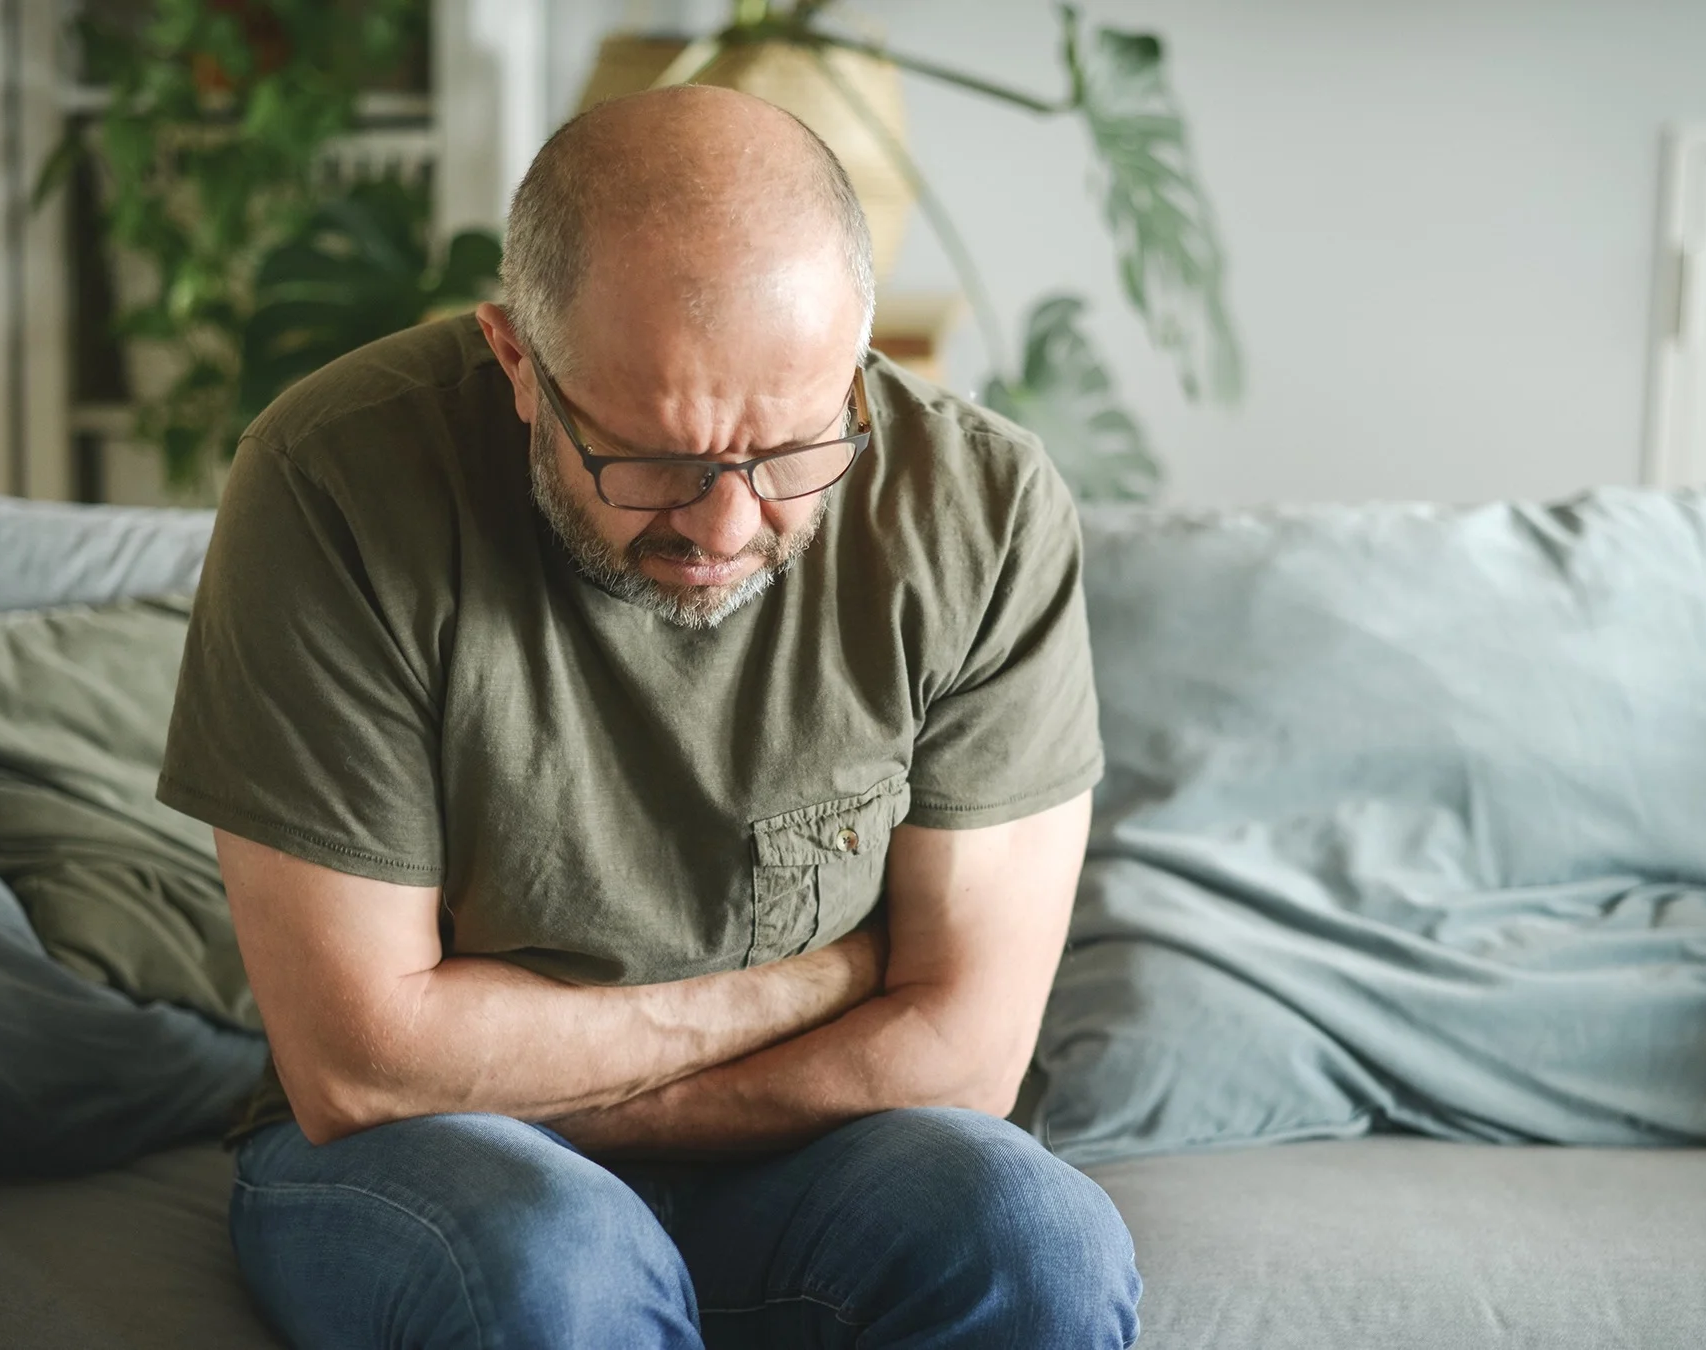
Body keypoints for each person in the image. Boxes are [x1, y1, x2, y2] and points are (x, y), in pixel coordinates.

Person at [157, 83, 1141, 1349]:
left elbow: (962, 1058)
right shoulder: (332, 481)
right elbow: (366, 1067)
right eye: (656, 461)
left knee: (1037, 1240)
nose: (726, 529)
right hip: (436, 1166)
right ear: (519, 361)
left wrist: (530, 1059)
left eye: (791, 450)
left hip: (819, 1166)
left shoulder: (981, 510)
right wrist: (823, 988)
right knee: (556, 1262)